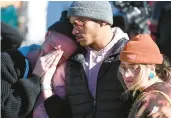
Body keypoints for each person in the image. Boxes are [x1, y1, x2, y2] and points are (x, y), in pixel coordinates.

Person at [40, 1, 132, 118]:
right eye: (72, 24)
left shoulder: (129, 54)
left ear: (102, 20)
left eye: (79, 22)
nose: (74, 31)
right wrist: (45, 84)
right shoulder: (74, 59)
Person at [1, 12, 78, 118]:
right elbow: (5, 112)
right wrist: (36, 78)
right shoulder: (7, 62)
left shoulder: (62, 76)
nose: (54, 56)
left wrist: (46, 86)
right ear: (47, 35)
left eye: (63, 56)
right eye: (53, 48)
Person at [118, 34, 171, 118]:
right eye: (123, 67)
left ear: (152, 68)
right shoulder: (163, 87)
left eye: (133, 67)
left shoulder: (151, 100)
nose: (126, 74)